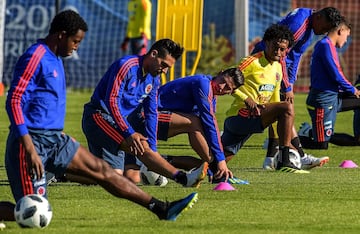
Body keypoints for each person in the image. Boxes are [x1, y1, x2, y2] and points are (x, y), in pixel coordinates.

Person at [3, 10, 198, 222]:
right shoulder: (36, 56)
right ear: (61, 35)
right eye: (75, 41)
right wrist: (29, 146)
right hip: (30, 144)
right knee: (34, 215)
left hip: (56, 140)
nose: (76, 47)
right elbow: (14, 101)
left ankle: (161, 208)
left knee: (103, 171)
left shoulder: (56, 58)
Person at [81, 38, 208, 188]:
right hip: (98, 117)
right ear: (153, 54)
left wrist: (153, 149)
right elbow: (112, 101)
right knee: (141, 147)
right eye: (164, 65)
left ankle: (59, 172)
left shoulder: (154, 79)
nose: (165, 71)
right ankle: (184, 179)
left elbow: (151, 113)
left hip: (117, 123)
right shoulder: (126, 66)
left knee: (115, 177)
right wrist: (129, 133)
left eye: (168, 68)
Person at [252, 7, 342, 170]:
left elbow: (296, 56)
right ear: (319, 17)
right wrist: (286, 86)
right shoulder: (298, 24)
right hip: (265, 65)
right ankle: (298, 156)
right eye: (325, 28)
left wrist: (290, 83)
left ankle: (271, 158)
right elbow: (280, 54)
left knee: (280, 110)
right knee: (283, 110)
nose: (323, 33)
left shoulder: (309, 27)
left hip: (275, 67)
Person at [124, 67, 245, 183]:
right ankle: (215, 168)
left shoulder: (212, 98)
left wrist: (216, 157)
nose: (221, 87)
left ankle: (164, 161)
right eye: (222, 81)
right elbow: (210, 122)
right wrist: (220, 160)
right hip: (143, 117)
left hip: (150, 125)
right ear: (220, 73)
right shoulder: (203, 83)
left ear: (231, 92)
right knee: (194, 122)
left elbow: (207, 128)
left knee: (132, 178)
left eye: (227, 88)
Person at [219, 24, 309, 174]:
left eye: (283, 49)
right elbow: (226, 82)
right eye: (275, 46)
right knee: (287, 107)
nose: (278, 52)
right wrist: (246, 98)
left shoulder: (278, 67)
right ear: (266, 42)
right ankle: (284, 161)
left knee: (213, 164)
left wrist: (271, 147)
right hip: (239, 117)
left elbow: (274, 102)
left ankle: (170, 162)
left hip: (254, 118)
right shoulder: (251, 62)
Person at [298, 17, 360, 149]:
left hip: (333, 97)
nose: (346, 40)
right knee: (321, 145)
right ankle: (291, 139)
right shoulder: (325, 45)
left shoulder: (327, 45)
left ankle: (358, 137)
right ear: (341, 30)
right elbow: (336, 75)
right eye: (347, 36)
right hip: (322, 101)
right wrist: (353, 90)